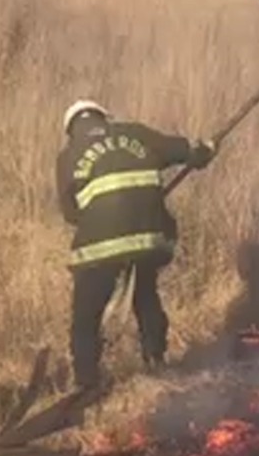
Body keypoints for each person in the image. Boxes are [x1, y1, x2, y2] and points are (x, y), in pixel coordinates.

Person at [56, 100, 215, 391]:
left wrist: (99, 217)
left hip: (99, 245)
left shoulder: (68, 156)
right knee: (145, 293)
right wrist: (204, 150)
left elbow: (70, 214)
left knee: (86, 312)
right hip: (149, 237)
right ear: (105, 117)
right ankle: (155, 358)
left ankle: (86, 381)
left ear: (71, 129)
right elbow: (188, 152)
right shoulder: (136, 133)